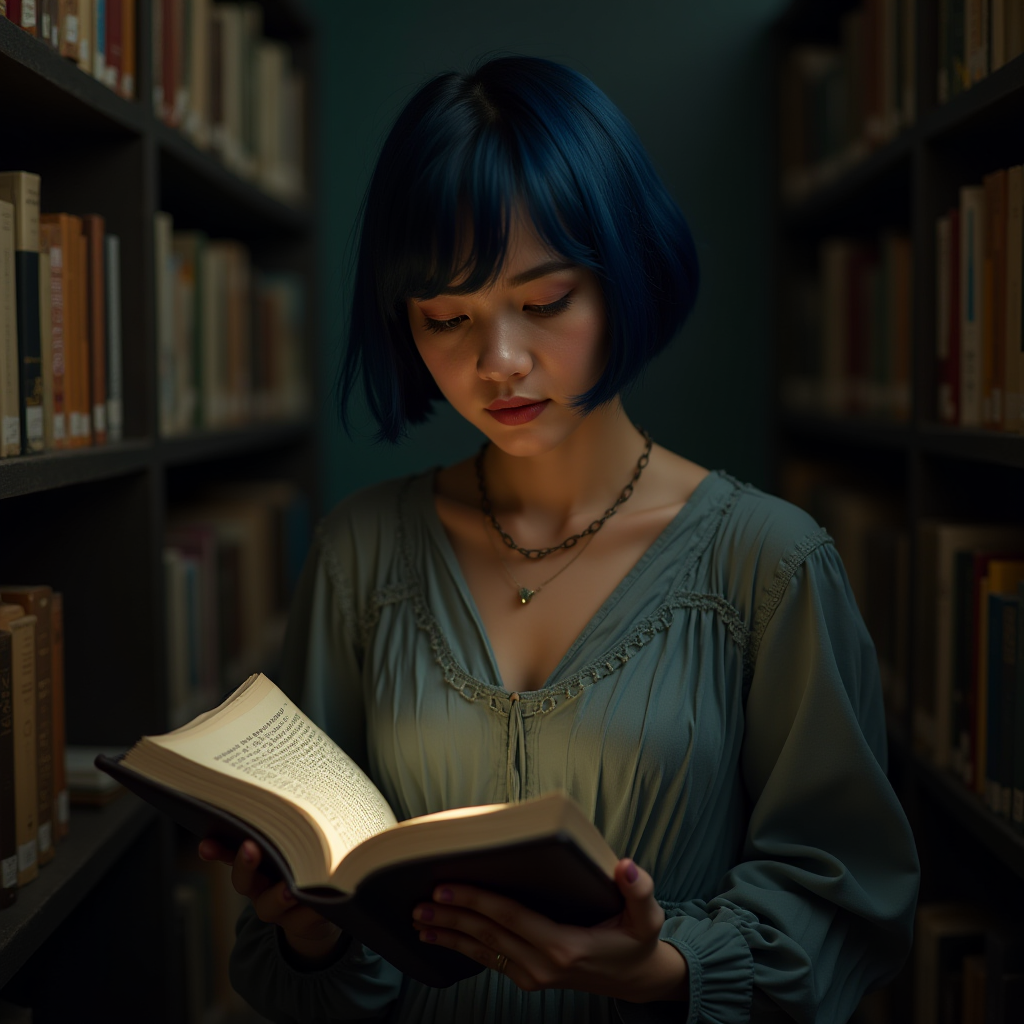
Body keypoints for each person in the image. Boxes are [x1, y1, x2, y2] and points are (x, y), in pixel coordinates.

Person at [200, 56, 920, 1023]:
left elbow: (849, 899)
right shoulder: (360, 552)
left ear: (625, 274)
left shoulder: (768, 562)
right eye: (447, 318)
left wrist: (664, 973)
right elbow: (314, 931)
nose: (500, 363)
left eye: (544, 303)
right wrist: (311, 929)